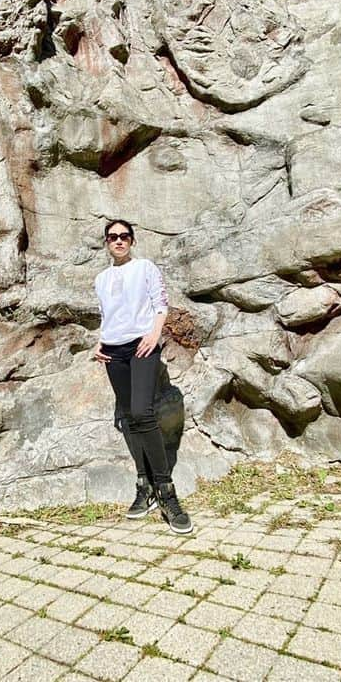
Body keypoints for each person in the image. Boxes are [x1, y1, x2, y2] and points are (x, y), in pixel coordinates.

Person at [93, 219, 193, 535]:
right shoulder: (101, 278)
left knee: (142, 412)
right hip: (112, 351)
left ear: (132, 241)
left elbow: (160, 304)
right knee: (128, 416)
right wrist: (99, 340)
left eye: (124, 236)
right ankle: (144, 485)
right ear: (107, 243)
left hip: (142, 345)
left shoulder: (145, 267)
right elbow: (106, 314)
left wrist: (154, 335)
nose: (118, 241)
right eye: (113, 237)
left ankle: (165, 490)